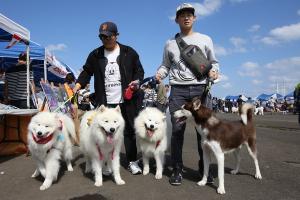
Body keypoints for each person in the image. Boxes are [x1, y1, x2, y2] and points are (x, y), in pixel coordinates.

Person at [156, 3, 219, 185]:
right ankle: (177, 168)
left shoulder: (206, 39)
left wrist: (214, 72)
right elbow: (165, 65)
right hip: (178, 90)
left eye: (189, 14)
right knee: (177, 131)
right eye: (182, 15)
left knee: (203, 133)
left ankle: (204, 168)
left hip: (201, 89)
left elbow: (214, 63)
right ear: (176, 19)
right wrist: (160, 73)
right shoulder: (170, 44)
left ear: (195, 18)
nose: (186, 17)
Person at [73, 21, 145, 174]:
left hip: (126, 100)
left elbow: (139, 70)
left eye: (109, 36)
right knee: (103, 132)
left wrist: (136, 81)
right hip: (104, 102)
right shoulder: (95, 54)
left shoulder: (128, 52)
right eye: (102, 37)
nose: (105, 40)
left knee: (129, 131)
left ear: (116, 36)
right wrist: (79, 84)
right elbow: (87, 71)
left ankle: (132, 161)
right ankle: (104, 163)